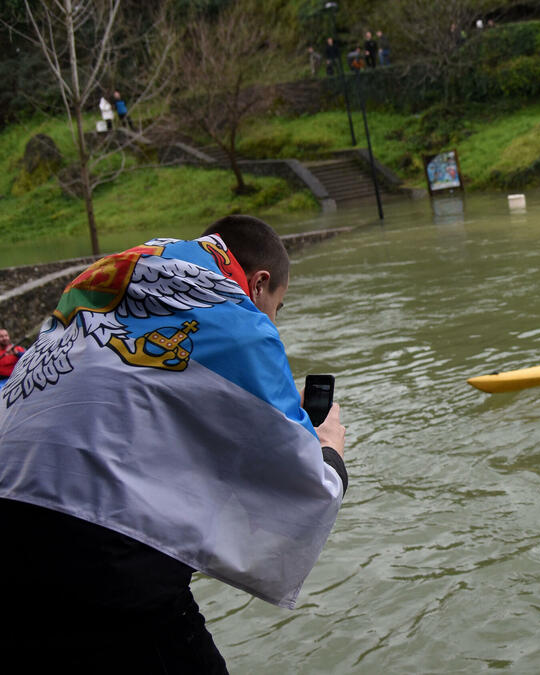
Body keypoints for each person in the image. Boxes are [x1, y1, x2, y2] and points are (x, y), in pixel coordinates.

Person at [0, 215, 348, 672]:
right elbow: (304, 482)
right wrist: (329, 447)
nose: (272, 322)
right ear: (260, 283)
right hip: (101, 557)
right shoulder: (235, 311)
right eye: (277, 308)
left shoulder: (121, 270)